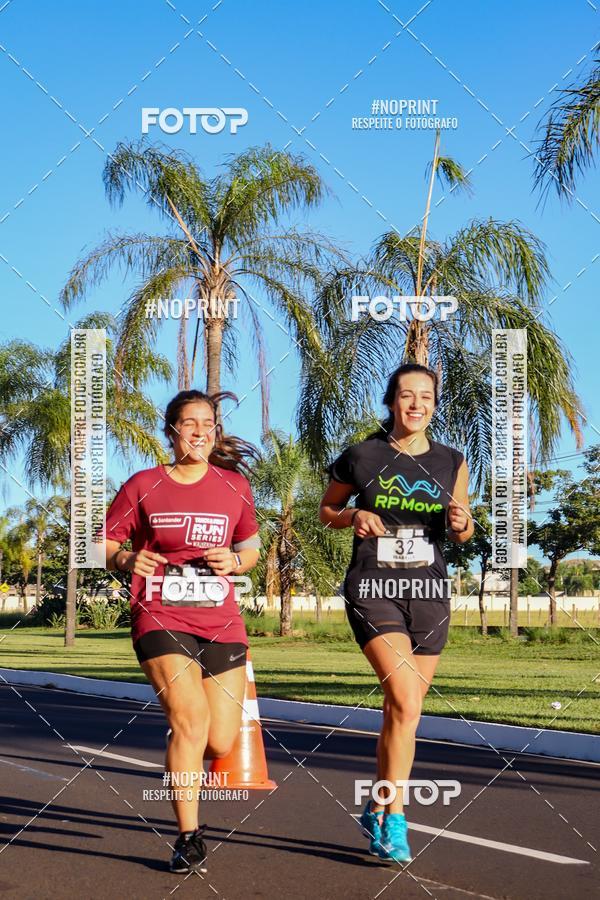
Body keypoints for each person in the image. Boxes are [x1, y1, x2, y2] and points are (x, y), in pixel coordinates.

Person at [102, 389, 261, 874]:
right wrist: (126, 557)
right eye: (189, 423)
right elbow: (101, 544)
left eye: (208, 423)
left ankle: (183, 747)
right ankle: (188, 837)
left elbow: (250, 549)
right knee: (190, 720)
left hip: (221, 619)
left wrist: (234, 561)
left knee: (219, 741)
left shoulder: (234, 486)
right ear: (171, 431)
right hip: (159, 612)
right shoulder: (143, 485)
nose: (199, 431)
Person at [319, 363, 473, 863]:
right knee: (405, 700)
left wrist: (462, 523)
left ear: (434, 404)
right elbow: (327, 511)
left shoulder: (452, 460)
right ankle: (398, 819)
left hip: (428, 591)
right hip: (374, 586)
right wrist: (354, 514)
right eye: (407, 395)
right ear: (391, 402)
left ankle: (377, 805)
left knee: (402, 713)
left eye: (426, 396)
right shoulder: (363, 456)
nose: (416, 404)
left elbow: (462, 529)